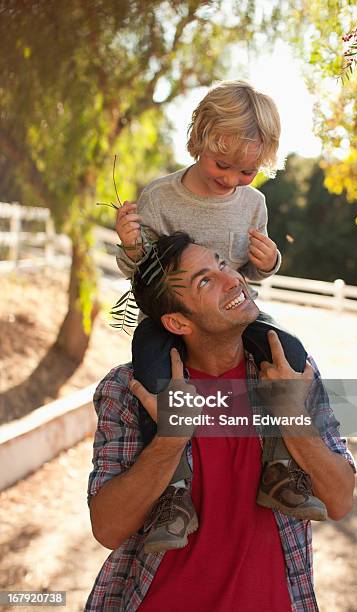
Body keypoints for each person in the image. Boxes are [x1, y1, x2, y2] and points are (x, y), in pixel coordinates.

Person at [86, 232, 356, 611]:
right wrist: (169, 438)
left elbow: (340, 500)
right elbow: (108, 528)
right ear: (178, 322)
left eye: (222, 264)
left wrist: (291, 415)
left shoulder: (286, 374)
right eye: (206, 281)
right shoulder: (129, 389)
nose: (233, 280)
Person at [114, 81, 327, 553]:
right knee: (151, 372)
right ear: (199, 141)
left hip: (235, 312)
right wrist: (132, 248)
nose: (232, 179)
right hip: (173, 315)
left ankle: (276, 468)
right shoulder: (160, 197)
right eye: (222, 165)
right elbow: (145, 273)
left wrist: (268, 260)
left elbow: (253, 273)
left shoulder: (253, 204)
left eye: (247, 171)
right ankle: (174, 491)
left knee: (286, 349)